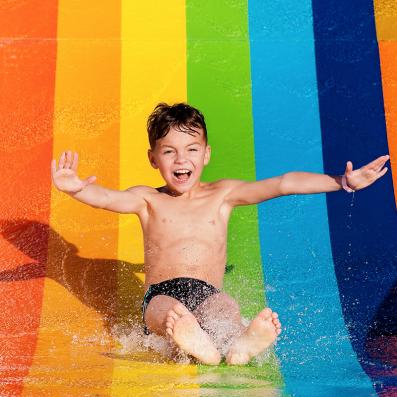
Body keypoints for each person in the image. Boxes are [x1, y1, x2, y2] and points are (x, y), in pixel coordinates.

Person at [51, 102, 389, 365]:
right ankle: (199, 343)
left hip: (207, 290)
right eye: (169, 151)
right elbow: (107, 198)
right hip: (161, 292)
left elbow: (283, 184)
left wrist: (340, 182)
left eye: (191, 149)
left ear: (207, 154)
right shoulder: (147, 199)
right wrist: (76, 189)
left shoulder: (223, 195)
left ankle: (239, 345)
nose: (181, 159)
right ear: (153, 158)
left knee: (224, 309)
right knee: (165, 313)